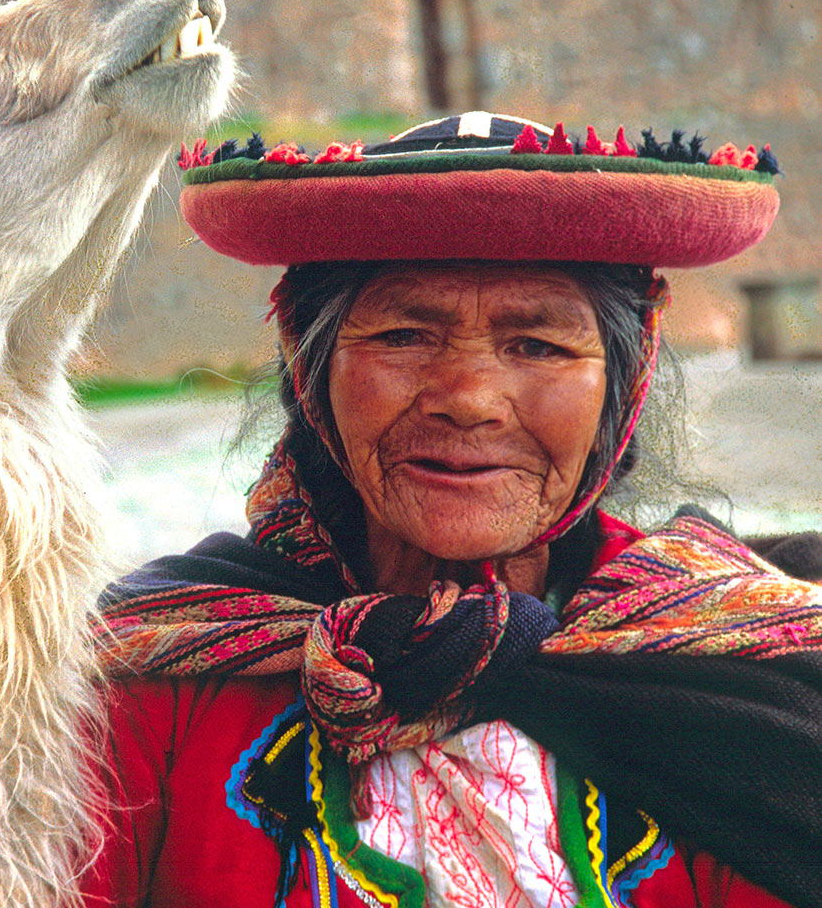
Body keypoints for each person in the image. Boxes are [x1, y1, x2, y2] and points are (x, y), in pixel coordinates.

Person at [82, 114, 822, 908]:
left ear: (624, 383)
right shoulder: (145, 687)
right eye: (404, 335)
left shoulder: (749, 680)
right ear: (309, 367)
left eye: (537, 345)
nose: (469, 401)